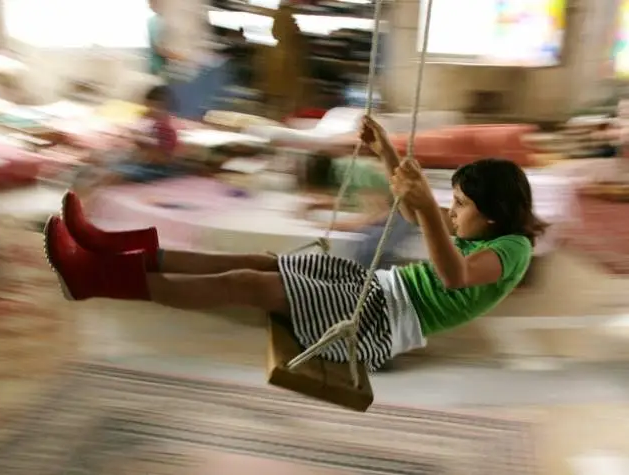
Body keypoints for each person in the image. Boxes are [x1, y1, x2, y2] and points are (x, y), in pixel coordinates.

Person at [44, 116, 546, 370]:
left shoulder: (512, 251)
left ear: (494, 212)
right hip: (375, 287)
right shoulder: (479, 227)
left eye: (460, 203)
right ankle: (108, 246)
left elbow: (454, 276)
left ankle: (96, 278)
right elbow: (415, 210)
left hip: (379, 321)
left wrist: (430, 213)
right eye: (453, 202)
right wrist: (386, 152)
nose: (452, 211)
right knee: (254, 261)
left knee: (244, 283)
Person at [296, 151, 419, 269]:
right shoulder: (339, 170)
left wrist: (330, 225)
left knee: (367, 251)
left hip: (404, 211)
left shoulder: (355, 174)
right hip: (394, 208)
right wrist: (316, 206)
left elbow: (375, 216)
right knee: (360, 246)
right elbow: (350, 201)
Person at [74, 85, 179, 193]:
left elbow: (162, 159)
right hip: (135, 158)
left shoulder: (167, 129)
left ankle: (85, 196)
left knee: (111, 175)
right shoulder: (146, 121)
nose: (151, 110)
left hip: (153, 168)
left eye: (155, 107)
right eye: (148, 105)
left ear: (164, 107)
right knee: (94, 161)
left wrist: (145, 146)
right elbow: (131, 141)